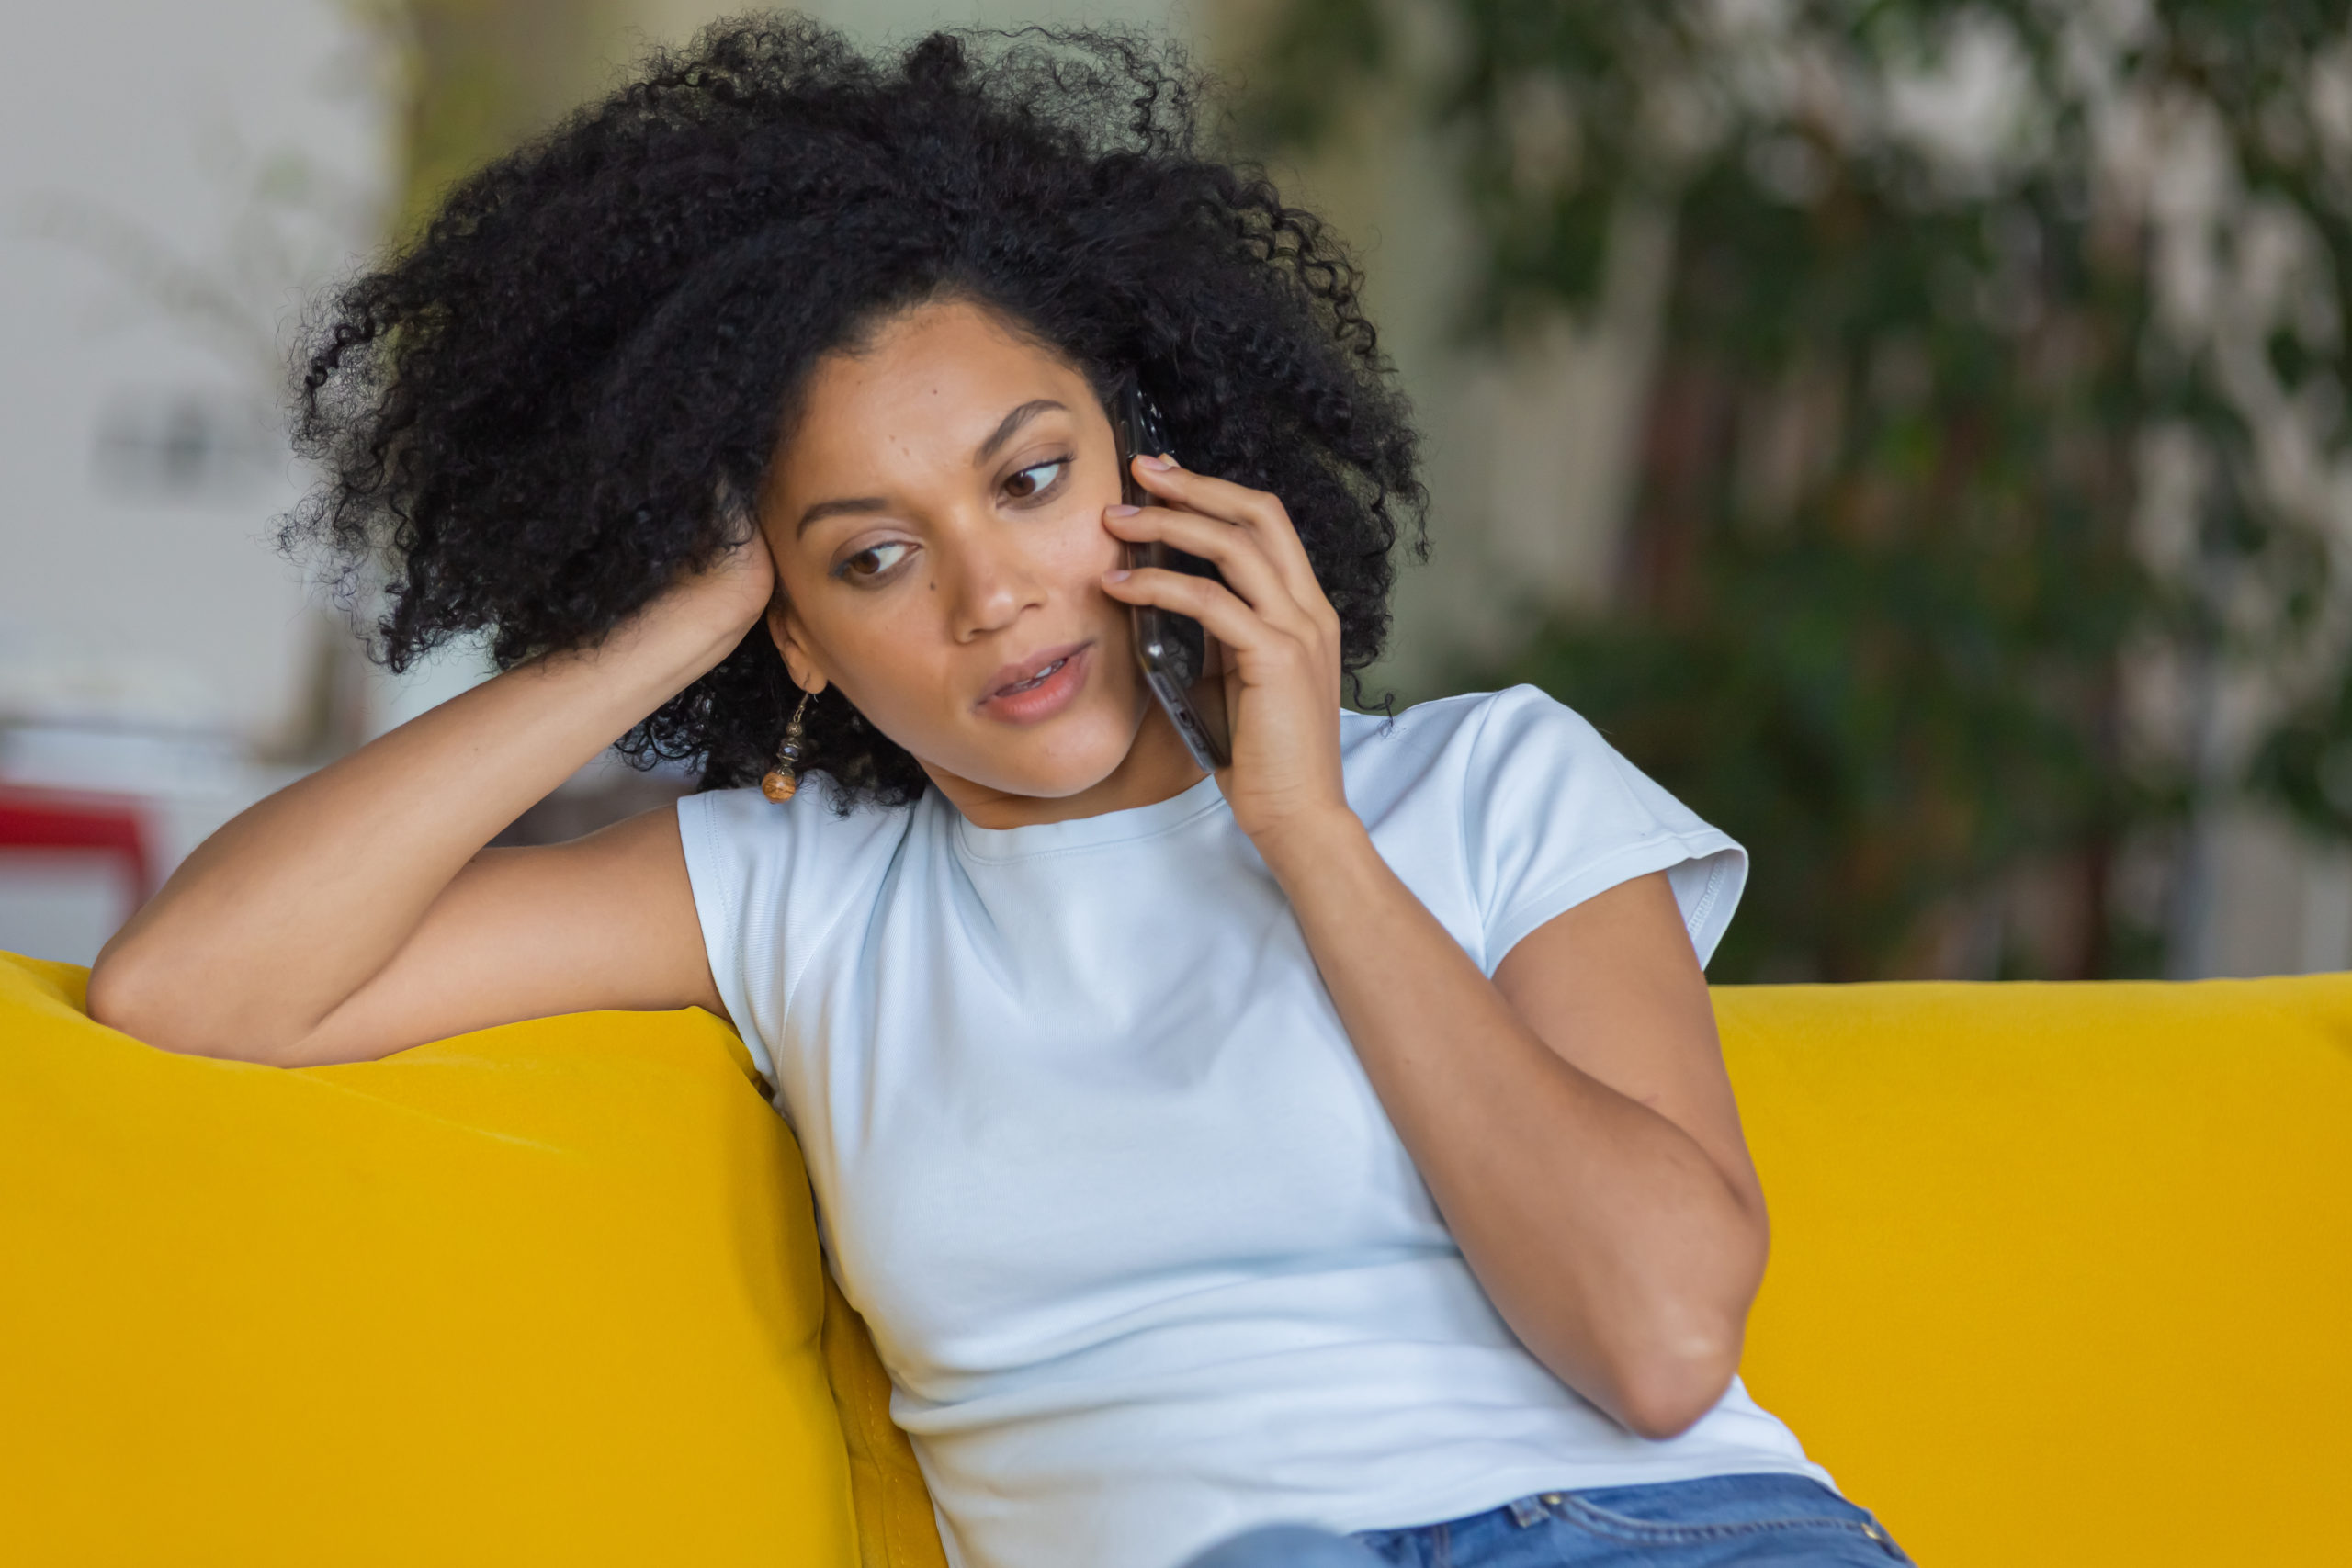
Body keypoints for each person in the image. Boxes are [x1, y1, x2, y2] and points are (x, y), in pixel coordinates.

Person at [87, 18, 1908, 1568]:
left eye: (1027, 479)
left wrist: (1306, 831)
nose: (989, 592)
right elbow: (196, 986)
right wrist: (656, 634)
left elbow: (1662, 1344)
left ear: (1152, 458)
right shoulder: (791, 891)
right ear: (791, 626)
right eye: (872, 557)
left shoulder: (1488, 779)